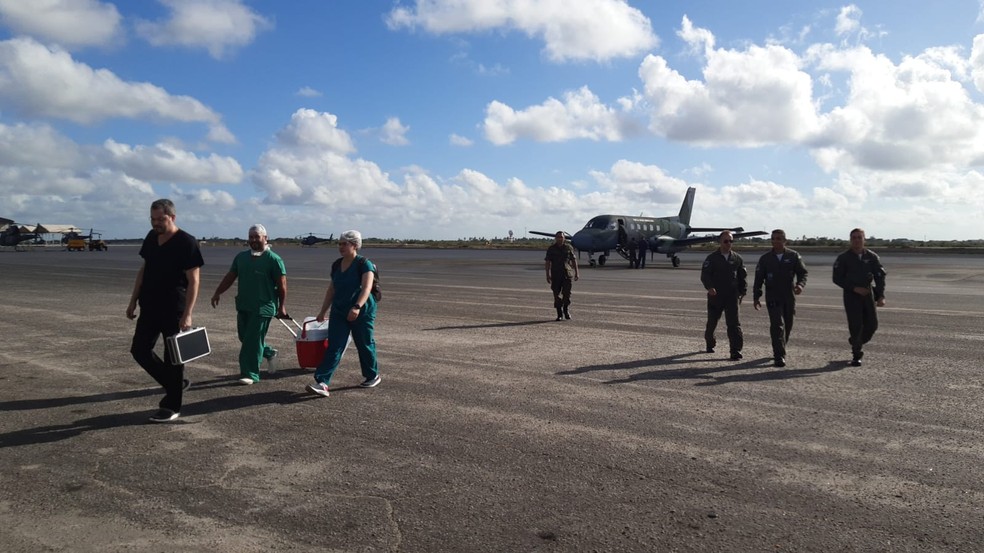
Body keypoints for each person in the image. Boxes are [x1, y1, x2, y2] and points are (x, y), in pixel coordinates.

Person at [126, 199, 204, 423]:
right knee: (139, 350)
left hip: (174, 308)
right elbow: (144, 270)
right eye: (152, 219)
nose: (156, 223)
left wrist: (188, 313)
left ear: (172, 217)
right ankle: (174, 384)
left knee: (174, 359)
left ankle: (172, 406)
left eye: (160, 219)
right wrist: (133, 300)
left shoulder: (186, 242)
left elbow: (194, 281)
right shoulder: (151, 238)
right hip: (149, 306)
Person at [210, 224, 287, 384]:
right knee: (245, 337)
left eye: (257, 237)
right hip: (244, 304)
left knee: (251, 341)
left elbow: (282, 285)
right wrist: (218, 292)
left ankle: (250, 374)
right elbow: (230, 276)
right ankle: (269, 352)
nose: (253, 240)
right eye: (251, 237)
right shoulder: (241, 257)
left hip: (263, 307)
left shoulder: (274, 259)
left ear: (265, 238)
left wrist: (282, 306)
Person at [307, 230, 380, 397]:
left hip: (362, 311)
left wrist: (357, 307)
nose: (340, 247)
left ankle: (372, 375)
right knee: (335, 345)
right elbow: (331, 289)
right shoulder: (336, 265)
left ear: (355, 245)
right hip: (339, 310)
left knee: (364, 343)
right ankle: (322, 382)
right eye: (339, 244)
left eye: (344, 244)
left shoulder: (364, 264)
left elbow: (366, 288)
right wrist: (322, 311)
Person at [753, 229, 808, 367]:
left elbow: (802, 273)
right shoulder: (765, 259)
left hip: (789, 295)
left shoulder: (793, 256)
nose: (775, 241)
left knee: (788, 324)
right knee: (777, 325)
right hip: (773, 295)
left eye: (778, 238)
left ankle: (781, 346)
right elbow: (758, 279)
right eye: (773, 238)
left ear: (784, 241)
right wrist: (756, 297)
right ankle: (779, 355)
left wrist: (800, 285)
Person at [833, 228, 886, 366]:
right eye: (854, 238)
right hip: (851, 295)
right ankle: (857, 353)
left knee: (872, 325)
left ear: (864, 239)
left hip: (868, 294)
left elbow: (880, 276)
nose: (857, 240)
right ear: (850, 240)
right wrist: (854, 288)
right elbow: (837, 278)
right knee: (855, 325)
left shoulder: (872, 257)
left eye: (859, 237)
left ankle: (856, 341)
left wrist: (881, 295)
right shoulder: (843, 258)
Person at [701, 230, 746, 360]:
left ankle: (735, 350)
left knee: (734, 324)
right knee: (712, 322)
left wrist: (742, 292)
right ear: (720, 242)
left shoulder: (737, 258)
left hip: (732, 296)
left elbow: (742, 277)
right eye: (726, 241)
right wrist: (710, 287)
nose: (728, 243)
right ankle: (710, 342)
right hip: (716, 296)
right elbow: (705, 275)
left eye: (731, 241)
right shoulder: (712, 258)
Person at [544, 231, 579, 320]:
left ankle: (566, 310)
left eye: (561, 237)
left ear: (564, 238)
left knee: (567, 294)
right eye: (558, 237)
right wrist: (547, 274)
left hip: (567, 274)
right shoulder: (551, 249)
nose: (560, 239)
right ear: (555, 238)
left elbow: (573, 260)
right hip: (556, 274)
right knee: (556, 294)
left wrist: (577, 272)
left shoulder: (568, 247)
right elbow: (548, 262)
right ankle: (559, 314)